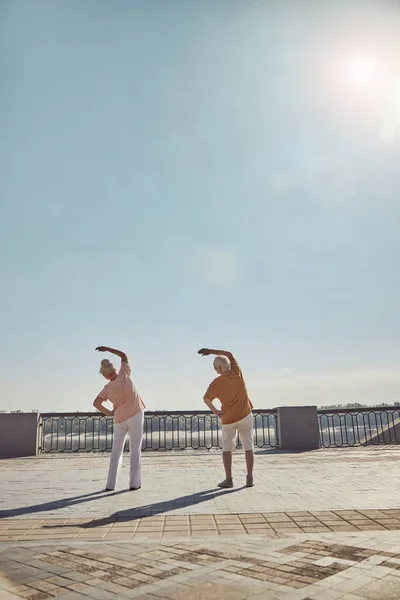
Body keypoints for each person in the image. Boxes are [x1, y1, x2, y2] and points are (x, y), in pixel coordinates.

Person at [198, 347, 254, 488]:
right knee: (248, 446)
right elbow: (229, 354)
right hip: (246, 414)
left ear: (218, 368)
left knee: (227, 449)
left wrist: (216, 412)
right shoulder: (237, 372)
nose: (213, 369)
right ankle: (249, 478)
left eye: (214, 366)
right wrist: (210, 351)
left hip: (229, 418)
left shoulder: (216, 383)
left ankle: (229, 479)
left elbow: (206, 399)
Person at [93, 346, 146, 491]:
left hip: (119, 419)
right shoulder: (124, 374)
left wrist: (110, 412)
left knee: (116, 451)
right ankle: (134, 484)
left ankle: (111, 485)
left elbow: (96, 403)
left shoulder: (107, 388)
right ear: (114, 369)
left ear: (104, 375)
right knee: (135, 449)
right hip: (135, 414)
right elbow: (123, 354)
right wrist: (107, 349)